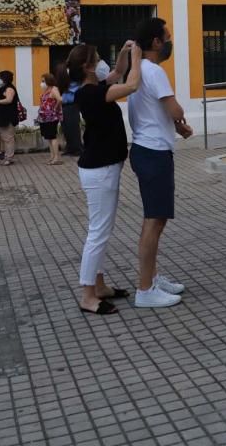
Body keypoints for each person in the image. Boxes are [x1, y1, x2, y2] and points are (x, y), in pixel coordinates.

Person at [71, 40, 143, 315]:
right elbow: (131, 84)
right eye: (99, 57)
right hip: (99, 170)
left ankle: (99, 286)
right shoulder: (91, 94)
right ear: (88, 67)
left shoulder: (94, 88)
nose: (103, 62)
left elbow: (117, 74)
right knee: (98, 232)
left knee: (101, 229)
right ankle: (88, 295)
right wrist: (137, 58)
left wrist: (124, 52)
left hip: (103, 167)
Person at [127, 17, 192, 309]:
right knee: (154, 221)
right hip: (153, 152)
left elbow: (158, 111)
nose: (169, 42)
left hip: (146, 149)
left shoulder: (138, 70)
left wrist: (176, 125)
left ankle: (151, 277)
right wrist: (179, 117)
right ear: (155, 42)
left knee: (154, 218)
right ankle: (145, 289)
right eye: (166, 37)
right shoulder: (154, 71)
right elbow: (173, 107)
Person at [0, 70, 21, 166]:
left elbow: (9, 100)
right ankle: (8, 156)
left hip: (8, 117)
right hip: (2, 118)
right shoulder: (2, 88)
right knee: (5, 137)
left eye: (0, 78)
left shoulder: (9, 88)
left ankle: (9, 158)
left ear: (4, 79)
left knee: (8, 138)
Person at [38, 73, 64, 165]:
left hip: (52, 117)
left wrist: (55, 107)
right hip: (44, 118)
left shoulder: (54, 89)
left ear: (48, 81)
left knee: (52, 136)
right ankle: (52, 156)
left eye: (43, 81)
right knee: (48, 137)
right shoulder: (46, 90)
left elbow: (60, 99)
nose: (41, 83)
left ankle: (56, 157)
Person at [61, 74, 83, 157]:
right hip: (64, 106)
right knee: (66, 128)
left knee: (73, 127)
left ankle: (77, 149)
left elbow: (73, 91)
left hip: (72, 105)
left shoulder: (77, 84)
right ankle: (69, 148)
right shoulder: (65, 84)